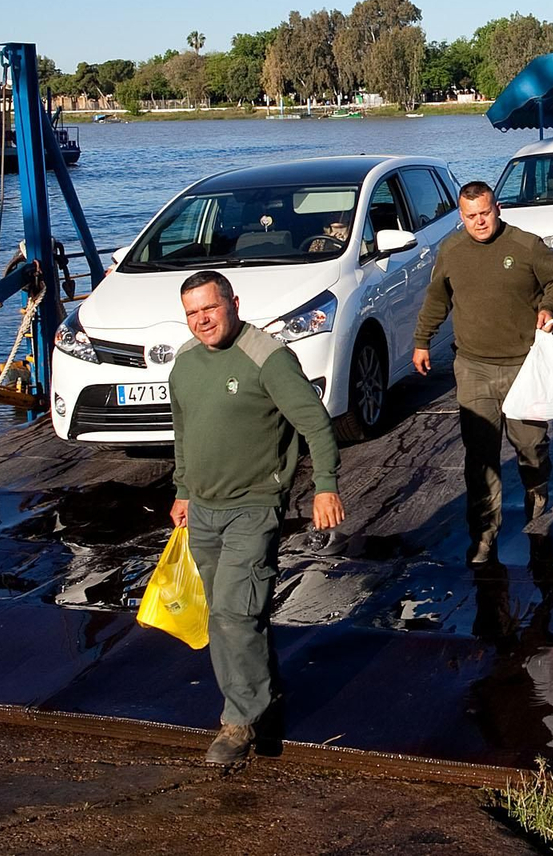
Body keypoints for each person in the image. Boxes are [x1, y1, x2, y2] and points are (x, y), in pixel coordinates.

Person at [169, 271, 345, 767]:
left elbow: (314, 422)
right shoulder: (184, 360)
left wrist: (325, 485)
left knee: (232, 612)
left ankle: (239, 721)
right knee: (231, 616)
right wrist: (183, 490)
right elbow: (183, 430)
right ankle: (264, 696)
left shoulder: (265, 356)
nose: (202, 320)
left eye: (210, 308)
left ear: (233, 303)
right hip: (203, 510)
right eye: (192, 312)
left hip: (254, 507)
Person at [413, 181, 553, 565]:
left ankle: (536, 489)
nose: (479, 222)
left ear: (497, 208)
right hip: (473, 366)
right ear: (460, 215)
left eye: (485, 213)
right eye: (470, 217)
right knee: (480, 455)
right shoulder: (451, 250)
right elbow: (437, 297)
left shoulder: (526, 245)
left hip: (524, 365)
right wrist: (422, 340)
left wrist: (549, 307)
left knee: (531, 447)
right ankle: (483, 535)